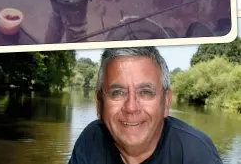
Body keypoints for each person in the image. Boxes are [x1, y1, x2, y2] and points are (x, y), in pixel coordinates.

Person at [68, 47, 223, 164]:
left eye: (146, 92)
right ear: (99, 103)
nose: (131, 107)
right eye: (117, 92)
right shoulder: (91, 140)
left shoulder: (196, 153)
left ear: (166, 102)